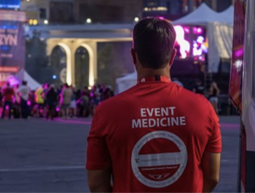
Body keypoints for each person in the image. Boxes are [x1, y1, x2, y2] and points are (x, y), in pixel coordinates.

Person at [86, 17, 221, 192]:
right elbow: (212, 177)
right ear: (173, 56)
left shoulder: (107, 112)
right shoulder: (203, 108)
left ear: (133, 56)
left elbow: (97, 185)